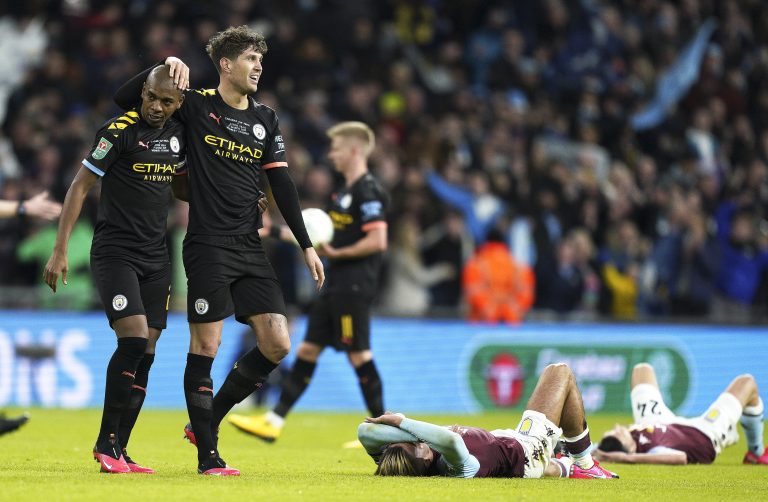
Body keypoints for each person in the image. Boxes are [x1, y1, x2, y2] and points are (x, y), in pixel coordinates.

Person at [114, 26, 324, 476]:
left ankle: (207, 420)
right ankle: (208, 455)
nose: (258, 67)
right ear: (226, 65)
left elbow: (282, 185)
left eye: (260, 61)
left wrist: (306, 245)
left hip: (251, 245)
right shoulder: (196, 104)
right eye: (250, 59)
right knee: (206, 344)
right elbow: (126, 100)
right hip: (207, 243)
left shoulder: (266, 118)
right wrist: (164, 66)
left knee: (277, 343)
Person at [43, 65, 186, 474]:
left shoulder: (179, 135)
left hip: (156, 257)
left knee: (149, 350)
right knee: (134, 340)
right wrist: (60, 249)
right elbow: (79, 186)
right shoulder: (117, 130)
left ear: (178, 105)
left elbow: (180, 184)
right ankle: (105, 444)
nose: (156, 108)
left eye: (166, 102)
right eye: (151, 98)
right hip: (115, 251)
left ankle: (120, 450)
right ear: (142, 92)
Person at [226, 121, 389, 443]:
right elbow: (316, 236)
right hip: (334, 286)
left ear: (355, 150)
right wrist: (271, 231)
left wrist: (338, 252)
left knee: (359, 354)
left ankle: (384, 429)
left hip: (354, 287)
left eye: (337, 148)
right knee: (307, 350)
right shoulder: (341, 193)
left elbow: (378, 240)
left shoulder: (369, 191)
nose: (331, 154)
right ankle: (273, 421)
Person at [358, 363, 618, 479]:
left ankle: (564, 465)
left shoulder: (404, 460)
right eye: (415, 443)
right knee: (559, 373)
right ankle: (585, 464)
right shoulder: (454, 465)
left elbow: (364, 432)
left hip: (507, 446)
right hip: (526, 451)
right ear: (425, 459)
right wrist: (402, 422)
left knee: (516, 459)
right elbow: (451, 439)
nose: (413, 439)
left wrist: (405, 436)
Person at [595, 362, 768, 465]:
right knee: (747, 383)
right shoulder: (655, 450)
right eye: (618, 433)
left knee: (642, 369)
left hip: (654, 421)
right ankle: (756, 452)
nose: (617, 427)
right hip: (704, 431)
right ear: (629, 450)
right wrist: (626, 459)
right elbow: (680, 458)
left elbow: (592, 448)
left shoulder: (612, 444)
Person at [462, 228, 535, 323]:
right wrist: (509, 312)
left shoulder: (475, 265)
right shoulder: (519, 267)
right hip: (510, 325)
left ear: (486, 242)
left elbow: (473, 293)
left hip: (481, 324)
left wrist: (492, 311)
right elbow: (526, 293)